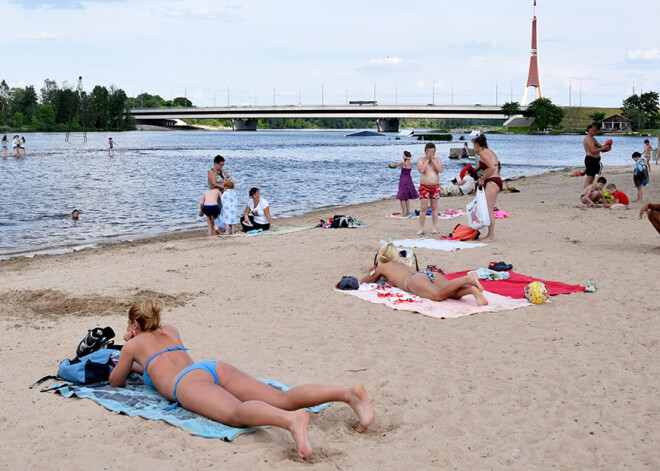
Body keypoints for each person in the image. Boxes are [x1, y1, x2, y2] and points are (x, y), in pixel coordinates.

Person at [108, 299, 375, 462]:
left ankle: (291, 419)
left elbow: (115, 382)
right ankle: (348, 393)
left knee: (236, 414)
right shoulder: (171, 330)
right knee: (282, 397)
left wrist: (129, 346)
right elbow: (163, 362)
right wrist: (140, 367)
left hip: (185, 384)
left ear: (134, 324)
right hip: (210, 368)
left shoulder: (134, 345)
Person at [359, 243, 488, 306]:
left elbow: (364, 281)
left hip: (412, 280)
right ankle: (472, 291)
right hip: (427, 274)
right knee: (449, 292)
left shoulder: (383, 268)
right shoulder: (401, 264)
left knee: (438, 296)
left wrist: (373, 271)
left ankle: (468, 278)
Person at [472, 134, 501, 242]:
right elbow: (497, 166)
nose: (473, 148)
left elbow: (491, 167)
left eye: (474, 145)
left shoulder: (482, 153)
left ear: (477, 145)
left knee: (489, 210)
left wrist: (482, 179)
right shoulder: (490, 151)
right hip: (497, 180)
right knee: (489, 209)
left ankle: (491, 236)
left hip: (492, 181)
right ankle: (489, 235)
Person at [416, 142, 444, 235]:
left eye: (433, 152)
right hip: (424, 186)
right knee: (423, 208)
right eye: (429, 152)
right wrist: (427, 160)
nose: (431, 154)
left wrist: (433, 160)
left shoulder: (437, 159)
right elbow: (421, 170)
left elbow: (440, 170)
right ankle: (421, 228)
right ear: (425, 152)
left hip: (435, 186)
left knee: (434, 207)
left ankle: (434, 227)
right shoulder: (421, 159)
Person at [389, 150, 419, 216]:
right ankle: (408, 211)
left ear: (404, 157)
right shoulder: (411, 163)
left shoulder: (403, 163)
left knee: (402, 197)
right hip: (409, 179)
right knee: (407, 197)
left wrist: (390, 165)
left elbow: (395, 165)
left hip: (403, 180)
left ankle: (403, 212)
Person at [582, 124, 612, 189]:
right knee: (589, 178)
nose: (595, 132)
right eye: (594, 130)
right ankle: (585, 193)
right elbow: (593, 151)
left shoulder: (593, 139)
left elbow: (601, 148)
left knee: (592, 178)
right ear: (589, 130)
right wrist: (603, 148)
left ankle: (589, 191)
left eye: (596, 130)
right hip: (590, 159)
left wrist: (608, 146)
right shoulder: (588, 139)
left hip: (596, 160)